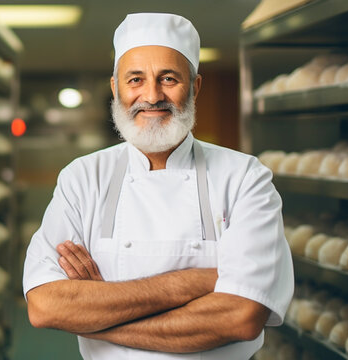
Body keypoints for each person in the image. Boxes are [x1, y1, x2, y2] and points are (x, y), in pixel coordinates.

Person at [22, 12, 294, 359]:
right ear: (115, 87)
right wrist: (197, 281)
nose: (151, 95)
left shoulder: (244, 177)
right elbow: (46, 306)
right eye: (135, 79)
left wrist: (98, 318)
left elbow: (240, 317)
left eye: (168, 78)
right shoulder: (83, 178)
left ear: (194, 87)